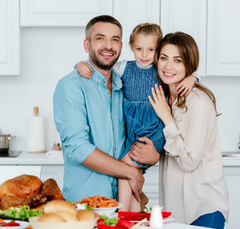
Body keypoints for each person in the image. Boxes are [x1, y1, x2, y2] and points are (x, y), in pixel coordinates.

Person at [76, 23, 197, 211]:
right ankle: (132, 215)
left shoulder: (162, 69)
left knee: (125, 170)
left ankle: (123, 216)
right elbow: (99, 67)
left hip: (152, 130)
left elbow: (182, 75)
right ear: (130, 46)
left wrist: (193, 78)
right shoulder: (123, 67)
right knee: (129, 173)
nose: (144, 54)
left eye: (151, 50)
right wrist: (80, 64)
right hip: (131, 130)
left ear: (158, 51)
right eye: (139, 49)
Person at [53, 15, 160, 204]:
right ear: (87, 45)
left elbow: (138, 133)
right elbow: (78, 148)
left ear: (121, 46)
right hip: (85, 204)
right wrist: (130, 172)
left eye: (115, 39)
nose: (109, 46)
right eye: (100, 38)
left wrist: (154, 156)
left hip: (119, 202)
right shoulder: (70, 86)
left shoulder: (123, 87)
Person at [148, 31, 229, 229]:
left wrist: (167, 117)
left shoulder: (199, 101)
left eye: (178, 60)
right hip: (175, 209)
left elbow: (189, 161)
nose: (168, 66)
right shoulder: (164, 97)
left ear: (188, 65)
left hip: (202, 207)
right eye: (164, 58)